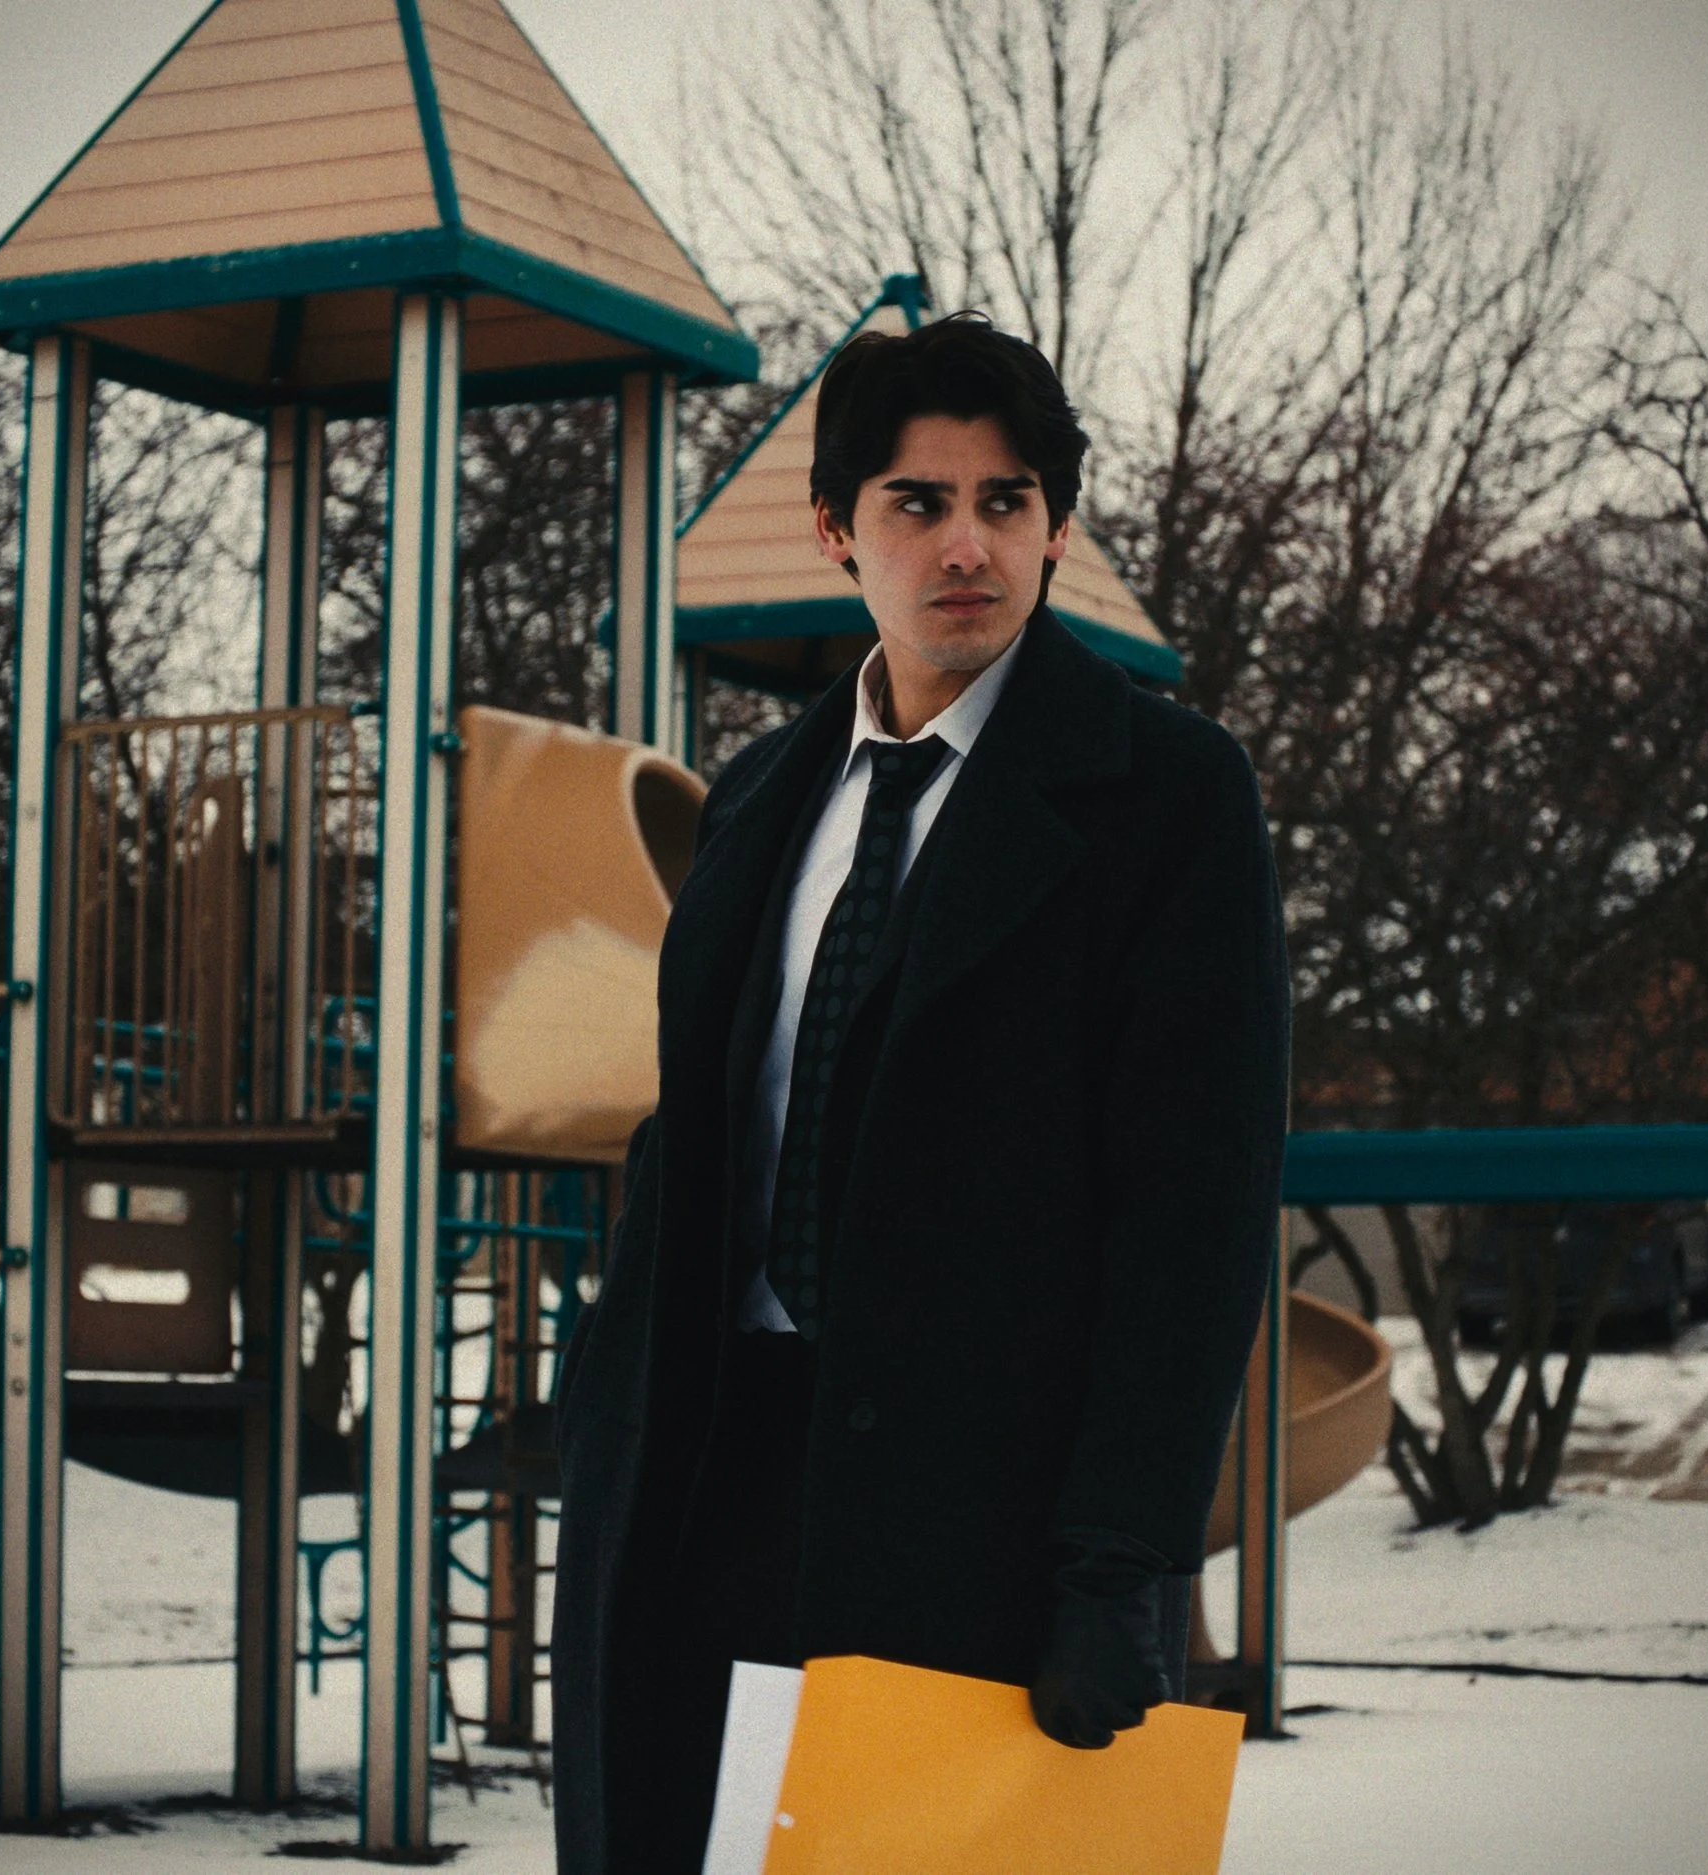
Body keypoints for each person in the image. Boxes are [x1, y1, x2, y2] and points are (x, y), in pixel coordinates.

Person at [551, 312, 1288, 1874]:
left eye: (1006, 501)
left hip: (981, 1512)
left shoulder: (1169, 797)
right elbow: (702, 1138)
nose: (968, 542)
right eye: (918, 502)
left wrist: (1116, 1564)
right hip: (709, 1485)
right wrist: (607, 1422)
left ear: (1057, 527)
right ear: (839, 528)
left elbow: (1193, 1210)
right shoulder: (756, 799)